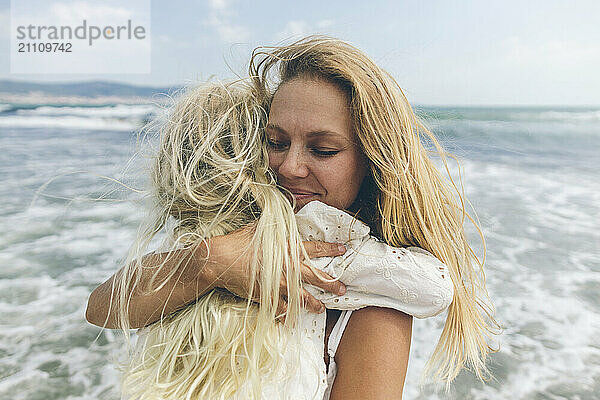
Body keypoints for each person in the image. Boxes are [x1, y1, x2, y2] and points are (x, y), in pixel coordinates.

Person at [87, 36, 498, 398]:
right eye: (276, 141)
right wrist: (208, 262)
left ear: (373, 160)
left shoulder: (377, 297)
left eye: (323, 150)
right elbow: (103, 310)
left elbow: (434, 287)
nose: (289, 167)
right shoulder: (230, 233)